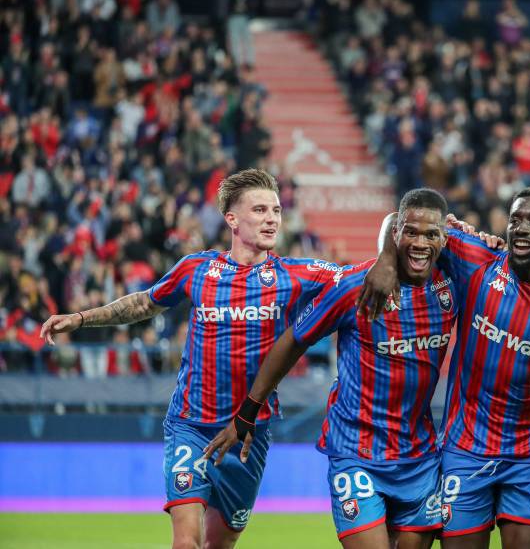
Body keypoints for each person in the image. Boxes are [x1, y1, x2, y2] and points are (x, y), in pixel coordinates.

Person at [40, 169, 350, 549]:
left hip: (249, 433)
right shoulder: (197, 269)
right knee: (186, 543)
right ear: (232, 219)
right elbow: (143, 303)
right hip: (191, 424)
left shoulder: (297, 275)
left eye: (276, 210)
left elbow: (362, 278)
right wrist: (83, 318)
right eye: (259, 210)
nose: (271, 218)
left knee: (218, 545)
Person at [205, 188, 460, 549]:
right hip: (356, 452)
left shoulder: (452, 284)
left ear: (444, 238)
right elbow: (294, 340)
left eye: (430, 235)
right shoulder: (355, 286)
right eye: (410, 233)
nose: (420, 243)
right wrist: (248, 410)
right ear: (397, 234)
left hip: (419, 457)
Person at [364, 187, 530, 549]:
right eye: (515, 219)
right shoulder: (475, 258)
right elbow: (400, 220)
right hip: (466, 448)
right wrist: (386, 260)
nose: (520, 227)